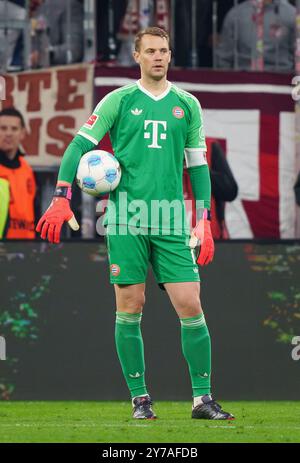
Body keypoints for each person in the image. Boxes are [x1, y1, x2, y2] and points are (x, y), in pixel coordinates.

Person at [36, 27, 234, 421]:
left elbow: (198, 165)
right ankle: (141, 400)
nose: (159, 57)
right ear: (137, 55)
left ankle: (202, 399)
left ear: (170, 55)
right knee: (130, 306)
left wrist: (204, 220)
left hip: (171, 219)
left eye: (164, 50)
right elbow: (79, 145)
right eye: (151, 51)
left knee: (191, 305)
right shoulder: (119, 100)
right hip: (126, 218)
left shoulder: (187, 104)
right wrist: (61, 195)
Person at [217, 0, 296, 71]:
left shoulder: (291, 14)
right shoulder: (235, 14)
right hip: (243, 80)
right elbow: (224, 58)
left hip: (281, 80)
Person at [0, 107, 36, 239]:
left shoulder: (27, 169)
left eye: (14, 129)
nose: (8, 134)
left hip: (26, 248)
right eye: (3, 128)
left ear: (23, 133)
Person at [30, 0, 84, 68]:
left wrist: (45, 55)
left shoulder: (69, 5)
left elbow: (74, 50)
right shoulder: (36, 8)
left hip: (59, 74)